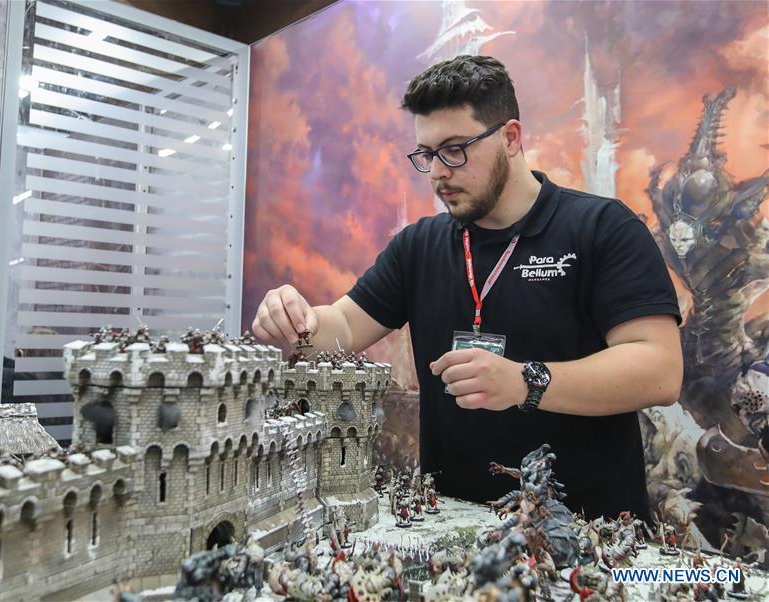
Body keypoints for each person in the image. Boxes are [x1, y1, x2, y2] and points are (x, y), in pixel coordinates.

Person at [251, 55, 682, 522]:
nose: (437, 172)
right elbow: (344, 326)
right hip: (453, 528)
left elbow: (659, 370)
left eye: (455, 149)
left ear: (510, 138)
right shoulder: (419, 245)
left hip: (587, 534)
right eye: (427, 154)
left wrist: (525, 382)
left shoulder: (601, 227)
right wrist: (297, 322)